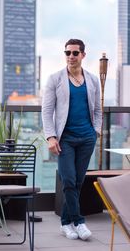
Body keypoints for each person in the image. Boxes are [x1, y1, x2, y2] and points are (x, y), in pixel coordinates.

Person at [42, 38, 102, 241]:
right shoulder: (55, 79)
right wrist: (50, 136)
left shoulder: (93, 80)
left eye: (75, 53)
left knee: (77, 182)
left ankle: (66, 223)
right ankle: (79, 222)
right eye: (67, 53)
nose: (71, 56)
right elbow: (47, 110)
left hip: (87, 138)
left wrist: (97, 131)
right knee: (68, 180)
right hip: (65, 139)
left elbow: (97, 109)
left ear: (83, 55)